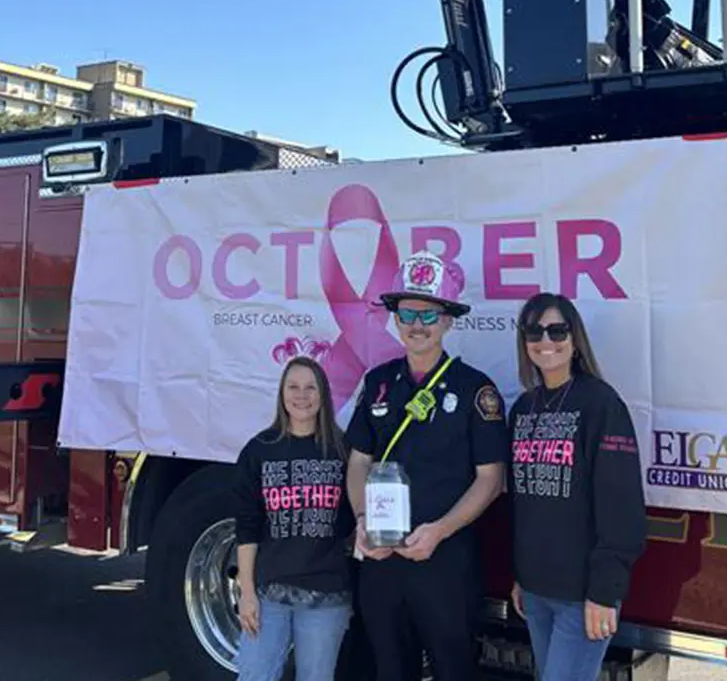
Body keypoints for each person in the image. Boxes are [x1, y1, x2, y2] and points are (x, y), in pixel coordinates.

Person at [344, 250, 508, 681]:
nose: (417, 325)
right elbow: (359, 461)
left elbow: (491, 480)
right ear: (395, 318)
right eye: (408, 312)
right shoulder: (378, 383)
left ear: (448, 320)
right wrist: (363, 520)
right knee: (389, 670)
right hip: (381, 560)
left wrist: (440, 531)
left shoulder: (476, 390)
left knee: (453, 670)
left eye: (429, 315)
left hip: (445, 562)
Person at [507, 291, 647, 681]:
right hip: (535, 591)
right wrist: (520, 576)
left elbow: (621, 505)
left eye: (557, 330)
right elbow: (522, 503)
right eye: (534, 332)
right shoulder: (523, 408)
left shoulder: (601, 405)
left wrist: (605, 591)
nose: (546, 342)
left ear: (575, 338)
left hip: (583, 594)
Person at [232, 355, 355, 681]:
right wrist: (246, 593)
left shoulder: (343, 450)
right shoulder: (259, 451)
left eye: (310, 388)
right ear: (282, 394)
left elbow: (356, 521)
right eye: (293, 387)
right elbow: (247, 528)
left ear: (323, 395)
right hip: (268, 593)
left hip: (327, 594)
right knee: (254, 675)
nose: (302, 396)